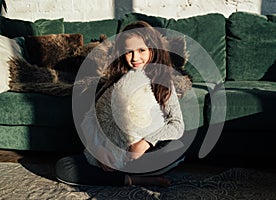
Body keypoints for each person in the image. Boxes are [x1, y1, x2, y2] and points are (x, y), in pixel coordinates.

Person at [55, 21, 185, 187]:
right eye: (128, 52)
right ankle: (132, 180)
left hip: (144, 153)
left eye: (141, 50)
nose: (135, 58)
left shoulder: (163, 83)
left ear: (153, 50)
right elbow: (90, 119)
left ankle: (120, 176)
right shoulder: (114, 82)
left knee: (178, 148)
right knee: (64, 167)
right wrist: (98, 151)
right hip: (113, 154)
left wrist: (146, 142)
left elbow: (177, 125)